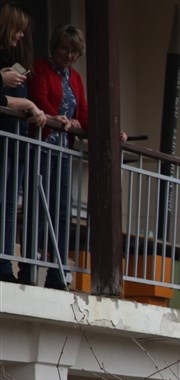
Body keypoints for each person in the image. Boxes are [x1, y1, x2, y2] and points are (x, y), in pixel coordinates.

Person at [24, 23, 89, 289]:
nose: (69, 55)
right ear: (54, 47)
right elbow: (39, 99)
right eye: (65, 48)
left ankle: (57, 272)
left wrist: (105, 131)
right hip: (41, 146)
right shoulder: (40, 68)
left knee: (61, 212)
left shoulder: (75, 78)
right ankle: (28, 268)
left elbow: (82, 113)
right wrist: (59, 119)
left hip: (63, 151)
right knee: (38, 207)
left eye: (74, 51)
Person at [0, 2, 45, 284]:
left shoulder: (12, 59)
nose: (21, 37)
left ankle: (5, 265)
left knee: (7, 204)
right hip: (5, 141)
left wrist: (40, 111)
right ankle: (3, 267)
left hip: (14, 142)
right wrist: (27, 102)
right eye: (18, 31)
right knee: (2, 202)